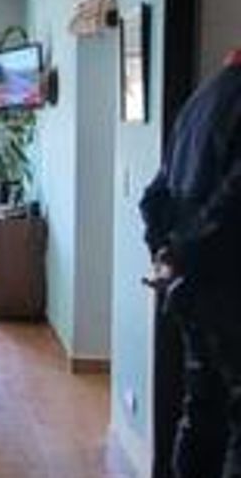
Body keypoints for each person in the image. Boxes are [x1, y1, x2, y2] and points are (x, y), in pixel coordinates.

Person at [140, 48, 241, 478]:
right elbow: (232, 204)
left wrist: (166, 254)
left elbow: (153, 197)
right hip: (228, 291)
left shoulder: (199, 101)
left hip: (191, 294)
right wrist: (180, 253)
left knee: (201, 413)